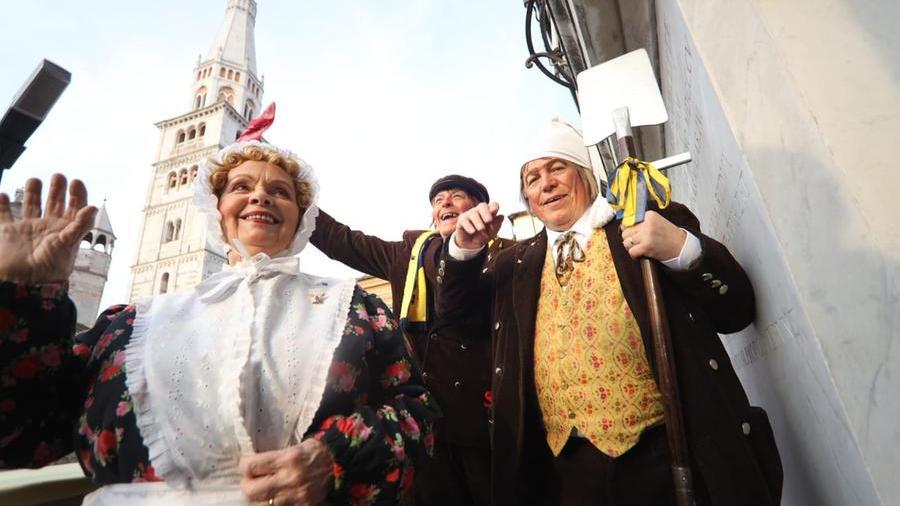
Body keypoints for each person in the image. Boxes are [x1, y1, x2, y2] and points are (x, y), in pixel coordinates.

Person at [0, 111, 438, 505]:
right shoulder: (132, 324)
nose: (260, 197)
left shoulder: (357, 310)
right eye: (241, 186)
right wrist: (27, 298)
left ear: (302, 217)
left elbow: (417, 415)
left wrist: (337, 458)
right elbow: (23, 433)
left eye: (280, 191)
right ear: (216, 208)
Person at [438, 118, 783, 505]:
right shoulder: (512, 266)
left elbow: (735, 309)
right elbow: (455, 314)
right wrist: (463, 251)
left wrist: (681, 248)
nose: (545, 183)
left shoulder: (642, 223)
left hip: (668, 458)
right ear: (528, 200)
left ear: (585, 175)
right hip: (566, 475)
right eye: (532, 178)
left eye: (557, 168)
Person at [310, 175, 508, 506]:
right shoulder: (405, 255)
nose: (445, 202)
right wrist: (289, 195)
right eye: (438, 199)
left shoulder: (506, 255)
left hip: (484, 423)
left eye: (457, 196)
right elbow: (340, 239)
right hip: (423, 421)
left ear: (480, 209)